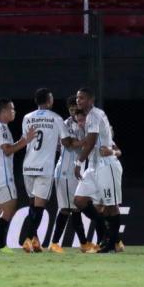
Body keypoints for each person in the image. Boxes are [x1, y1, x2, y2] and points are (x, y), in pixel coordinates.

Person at [72, 87, 123, 254]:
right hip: (94, 167)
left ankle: (111, 244)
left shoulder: (94, 115)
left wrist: (78, 162)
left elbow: (92, 141)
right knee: (79, 200)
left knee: (110, 206)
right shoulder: (89, 118)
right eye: (78, 98)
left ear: (91, 100)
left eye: (82, 98)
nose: (79, 100)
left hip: (106, 165)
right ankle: (109, 235)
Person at [0, 98, 37, 254]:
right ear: (4, 110)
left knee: (3, 210)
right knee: (11, 206)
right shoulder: (1, 128)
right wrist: (25, 140)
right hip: (3, 174)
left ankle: (0, 244)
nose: (14, 112)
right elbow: (7, 150)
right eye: (12, 109)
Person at [20, 88, 69, 253]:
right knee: (39, 207)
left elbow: (29, 140)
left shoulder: (27, 118)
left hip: (28, 166)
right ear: (49, 100)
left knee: (32, 205)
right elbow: (65, 141)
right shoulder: (56, 118)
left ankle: (35, 240)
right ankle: (27, 239)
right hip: (44, 167)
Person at [52, 96, 95, 253]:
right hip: (65, 171)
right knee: (66, 209)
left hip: (76, 171)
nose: (72, 113)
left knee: (75, 208)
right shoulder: (66, 124)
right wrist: (87, 141)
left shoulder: (85, 122)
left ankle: (83, 244)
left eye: (74, 110)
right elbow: (68, 143)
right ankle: (55, 243)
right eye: (70, 110)